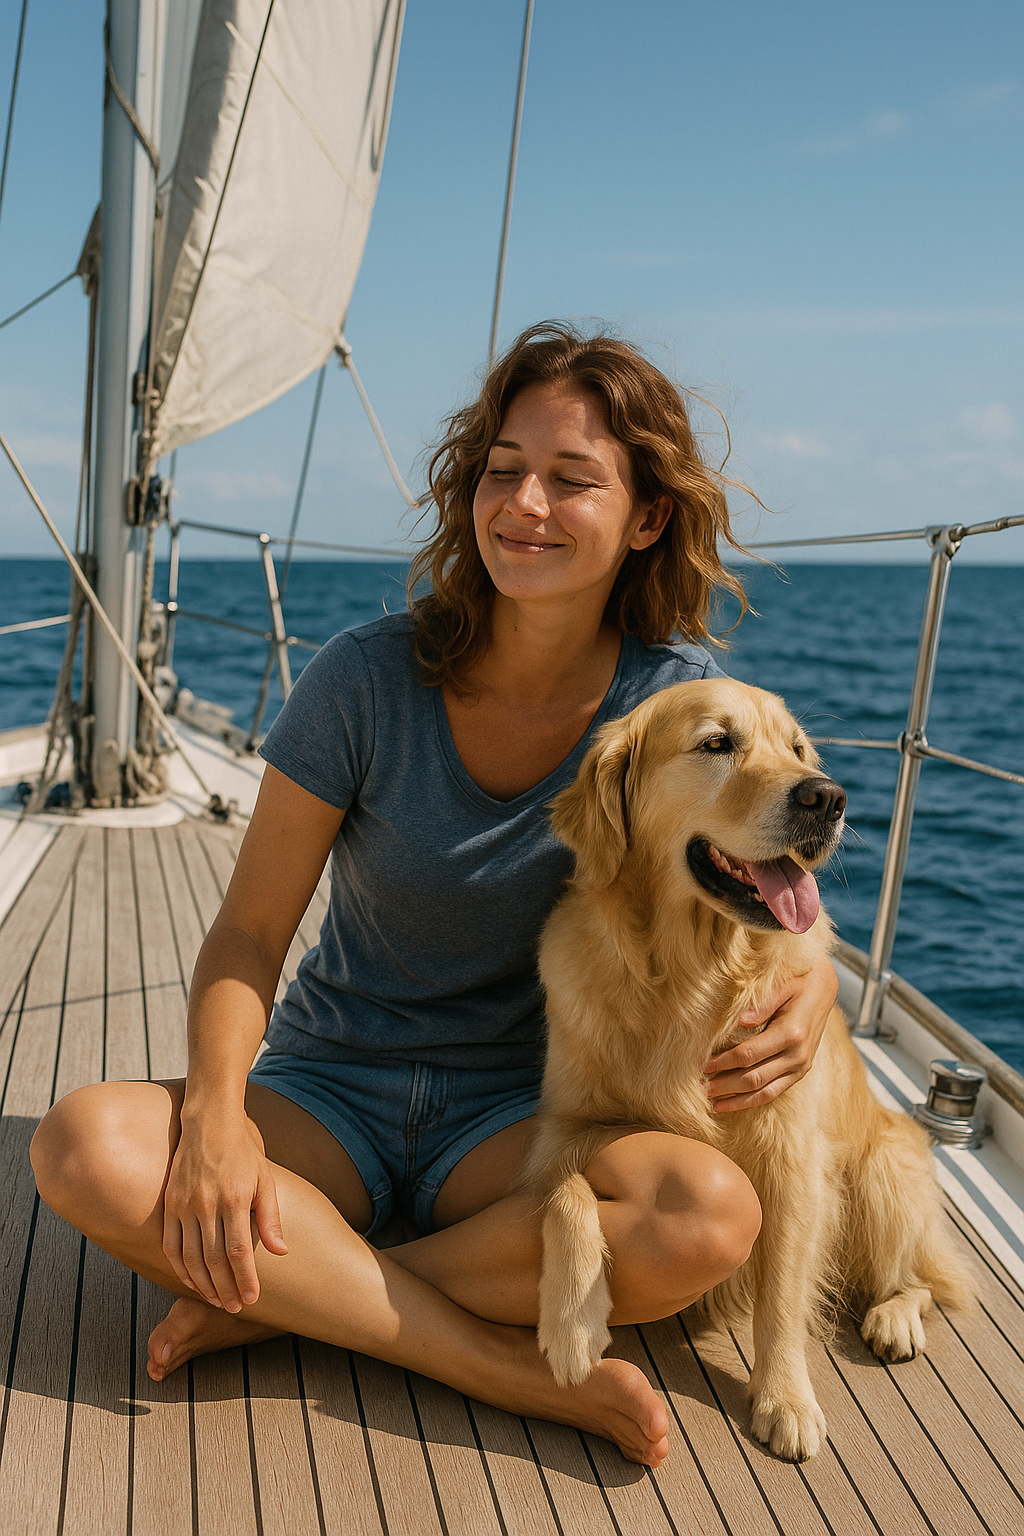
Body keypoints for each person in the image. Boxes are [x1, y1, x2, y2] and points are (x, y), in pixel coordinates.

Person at [31, 322, 838, 1469]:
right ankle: (494, 1363)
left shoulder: (680, 704)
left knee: (707, 1215)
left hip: (521, 1123)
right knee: (82, 1148)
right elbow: (250, 932)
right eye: (503, 470)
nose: (526, 504)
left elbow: (766, 874)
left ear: (646, 517)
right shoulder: (364, 678)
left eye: (573, 480)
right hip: (327, 1084)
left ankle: (294, 1299)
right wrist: (214, 1118)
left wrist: (818, 988)